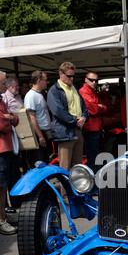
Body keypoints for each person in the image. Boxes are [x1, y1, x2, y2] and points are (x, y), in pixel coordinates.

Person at [47, 62, 89, 199]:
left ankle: (77, 192)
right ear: (61, 74)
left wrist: (83, 117)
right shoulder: (54, 90)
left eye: (73, 76)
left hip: (77, 130)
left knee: (77, 165)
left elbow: (84, 107)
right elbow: (58, 111)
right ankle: (65, 195)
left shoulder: (74, 88)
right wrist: (76, 120)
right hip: (65, 131)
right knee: (65, 165)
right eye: (69, 76)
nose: (71, 79)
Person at [0, 71, 19, 235]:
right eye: (3, 82)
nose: (6, 85)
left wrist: (10, 117)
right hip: (1, 149)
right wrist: (10, 118)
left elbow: (14, 120)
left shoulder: (1, 99)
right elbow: (4, 125)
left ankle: (3, 216)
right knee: (1, 187)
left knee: (3, 186)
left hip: (5, 148)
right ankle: (1, 220)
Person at [79, 72, 107, 173]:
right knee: (93, 156)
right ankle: (94, 178)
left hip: (96, 127)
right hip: (91, 129)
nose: (94, 82)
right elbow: (94, 110)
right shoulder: (84, 92)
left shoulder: (92, 91)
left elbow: (103, 107)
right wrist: (100, 106)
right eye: (91, 80)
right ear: (86, 80)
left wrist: (101, 106)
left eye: (96, 80)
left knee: (95, 155)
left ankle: (95, 176)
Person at [24, 71, 52, 167]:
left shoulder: (39, 94)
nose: (47, 82)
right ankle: (40, 182)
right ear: (39, 80)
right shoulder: (31, 96)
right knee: (38, 162)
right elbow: (32, 117)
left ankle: (44, 181)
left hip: (44, 132)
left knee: (45, 161)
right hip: (39, 133)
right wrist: (40, 136)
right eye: (46, 80)